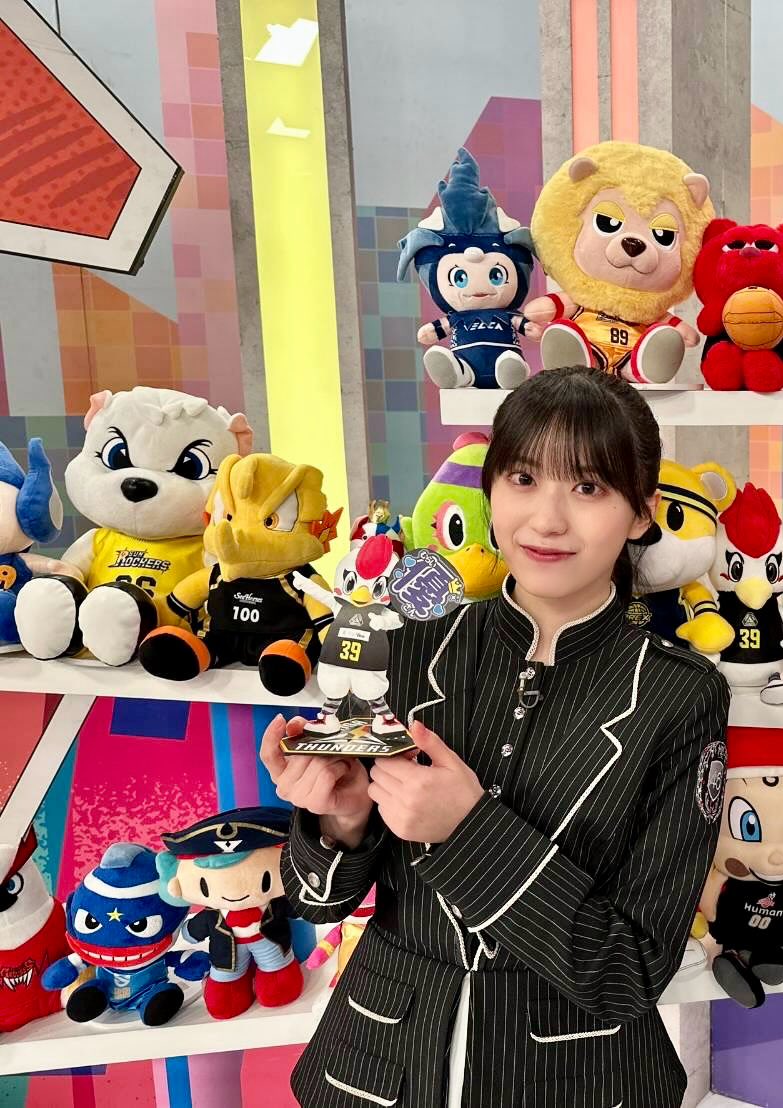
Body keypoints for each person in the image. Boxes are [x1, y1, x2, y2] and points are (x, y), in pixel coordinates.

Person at [260, 367, 731, 1108]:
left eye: (588, 487)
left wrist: (468, 830)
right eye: (523, 478)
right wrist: (340, 819)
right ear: (489, 489)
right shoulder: (405, 646)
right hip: (377, 1063)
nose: (546, 520)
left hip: (575, 1076)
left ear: (642, 513)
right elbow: (317, 901)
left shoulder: (680, 693)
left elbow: (632, 971)